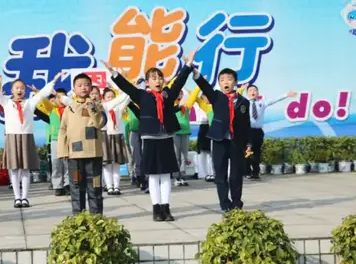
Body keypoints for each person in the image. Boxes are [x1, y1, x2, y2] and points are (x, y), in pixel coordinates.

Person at [104, 50, 196, 222]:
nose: (158, 80)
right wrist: (113, 73)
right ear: (147, 82)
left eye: (160, 77)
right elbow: (126, 87)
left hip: (166, 138)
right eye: (153, 78)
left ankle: (166, 208)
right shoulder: (142, 96)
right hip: (150, 139)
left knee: (166, 175)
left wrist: (188, 65)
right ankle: (156, 209)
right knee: (153, 176)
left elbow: (179, 82)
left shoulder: (168, 95)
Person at [0, 72, 61, 208]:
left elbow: (42, 94)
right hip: (12, 137)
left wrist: (54, 81)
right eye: (17, 88)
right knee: (14, 169)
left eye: (22, 88)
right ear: (12, 90)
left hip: (26, 136)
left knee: (25, 169)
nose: (19, 90)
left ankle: (24, 197)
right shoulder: (7, 102)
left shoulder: (30, 102)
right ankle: (17, 197)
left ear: (25, 90)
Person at [192, 68, 252, 212]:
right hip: (219, 140)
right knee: (220, 174)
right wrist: (196, 74)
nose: (226, 82)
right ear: (219, 83)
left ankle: (236, 203)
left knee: (236, 174)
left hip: (236, 141)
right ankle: (225, 204)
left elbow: (246, 124)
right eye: (222, 80)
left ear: (235, 82)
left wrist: (249, 143)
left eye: (229, 79)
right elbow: (204, 86)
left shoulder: (244, 102)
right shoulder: (216, 97)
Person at [57, 73, 106, 215]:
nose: (83, 88)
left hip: (93, 153)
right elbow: (63, 130)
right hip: (75, 153)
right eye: (79, 85)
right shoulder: (69, 109)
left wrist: (91, 106)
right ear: (74, 89)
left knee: (95, 186)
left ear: (91, 87)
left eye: (86, 85)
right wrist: (62, 151)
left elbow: (99, 123)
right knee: (77, 187)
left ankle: (96, 218)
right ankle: (79, 219)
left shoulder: (98, 106)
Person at [243, 85, 296, 180]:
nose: (253, 92)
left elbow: (274, 100)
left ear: (258, 93)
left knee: (257, 153)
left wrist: (286, 95)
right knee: (247, 152)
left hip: (258, 131)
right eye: (250, 90)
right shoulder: (244, 103)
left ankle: (255, 173)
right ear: (247, 93)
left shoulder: (262, 103)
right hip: (248, 131)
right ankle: (247, 172)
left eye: (255, 90)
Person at [101, 87, 131, 195]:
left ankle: (117, 186)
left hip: (117, 136)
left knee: (117, 164)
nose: (111, 99)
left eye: (113, 97)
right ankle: (109, 187)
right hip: (106, 137)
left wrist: (131, 88)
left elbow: (127, 98)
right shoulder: (103, 107)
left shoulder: (119, 107)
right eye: (108, 97)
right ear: (104, 99)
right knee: (107, 165)